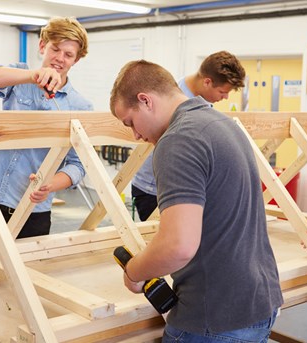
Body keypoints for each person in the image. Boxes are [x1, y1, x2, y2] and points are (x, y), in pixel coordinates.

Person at [110, 60, 282, 342]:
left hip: (214, 317)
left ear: (145, 100)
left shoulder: (177, 139)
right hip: (258, 302)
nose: (136, 135)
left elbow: (178, 247)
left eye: (130, 122)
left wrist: (134, 270)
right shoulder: (223, 123)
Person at [0, 17, 91, 244]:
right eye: (55, 49)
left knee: (25, 275)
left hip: (34, 210)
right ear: (42, 46)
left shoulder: (80, 106)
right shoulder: (19, 76)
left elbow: (79, 165)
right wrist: (32, 76)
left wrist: (51, 184)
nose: (59, 59)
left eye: (68, 54)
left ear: (77, 59)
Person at [131, 51, 245, 221]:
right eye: (222, 91)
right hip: (153, 190)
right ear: (207, 82)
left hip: (182, 187)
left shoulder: (202, 104)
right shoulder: (173, 100)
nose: (225, 97)